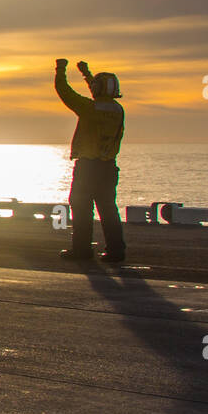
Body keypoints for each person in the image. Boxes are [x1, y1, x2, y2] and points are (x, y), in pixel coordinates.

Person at [55, 58, 125, 263]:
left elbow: (65, 92)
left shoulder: (90, 108)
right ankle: (116, 251)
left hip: (88, 167)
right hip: (108, 167)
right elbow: (99, 95)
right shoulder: (117, 110)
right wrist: (86, 73)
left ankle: (82, 251)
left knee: (82, 208)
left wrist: (60, 69)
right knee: (108, 209)